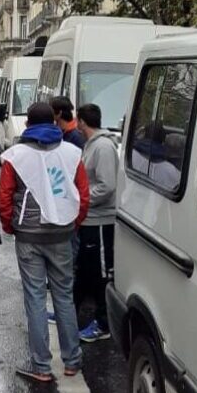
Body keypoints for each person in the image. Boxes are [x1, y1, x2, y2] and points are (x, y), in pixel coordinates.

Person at [0, 102, 90, 382]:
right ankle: (72, 361)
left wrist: (10, 226)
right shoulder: (73, 153)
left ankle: (41, 367)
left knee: (35, 298)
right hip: (62, 233)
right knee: (63, 296)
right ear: (53, 121)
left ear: (28, 124)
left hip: (28, 236)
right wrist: (73, 224)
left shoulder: (16, 156)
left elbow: (5, 198)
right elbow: (83, 197)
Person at [73, 104, 119, 342]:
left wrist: (81, 197)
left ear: (81, 121)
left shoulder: (102, 147)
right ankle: (70, 312)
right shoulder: (91, 145)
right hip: (89, 219)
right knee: (84, 269)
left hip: (101, 221)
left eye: (76, 120)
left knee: (101, 273)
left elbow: (107, 185)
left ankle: (103, 324)